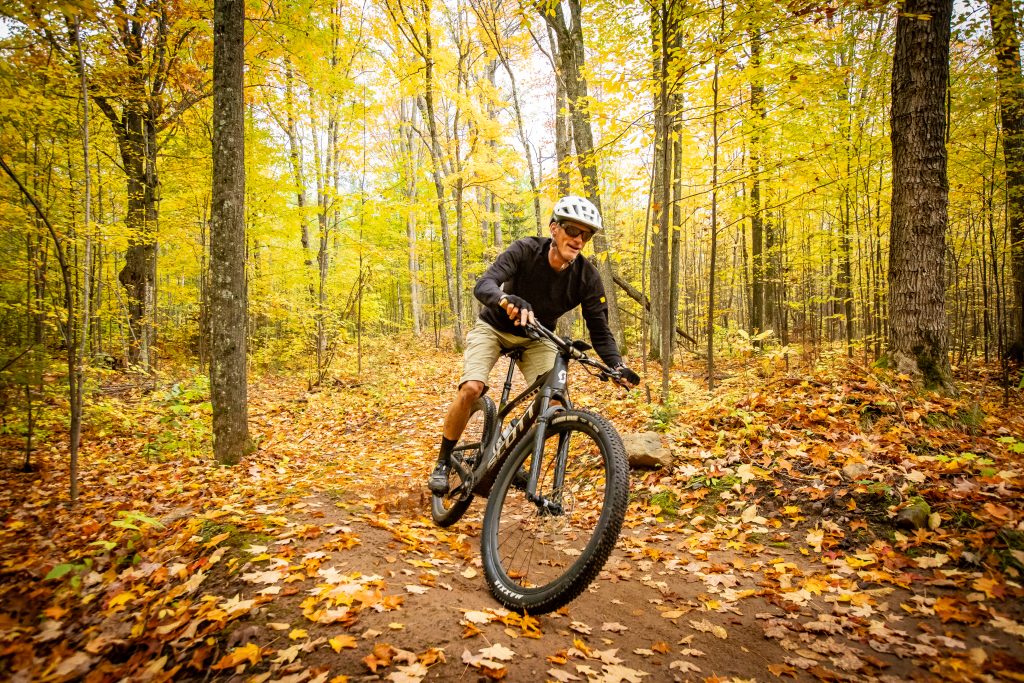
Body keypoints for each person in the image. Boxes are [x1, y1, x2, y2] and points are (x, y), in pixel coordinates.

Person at [428, 195, 640, 495]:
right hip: (494, 327)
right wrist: (505, 299)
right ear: (554, 229)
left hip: (538, 337)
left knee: (554, 404)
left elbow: (600, 330)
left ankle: (510, 451)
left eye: (586, 235)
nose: (579, 240)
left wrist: (616, 365)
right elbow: (484, 284)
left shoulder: (587, 277)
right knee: (472, 388)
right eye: (572, 230)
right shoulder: (526, 250)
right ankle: (443, 461)